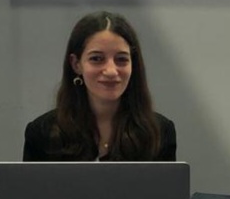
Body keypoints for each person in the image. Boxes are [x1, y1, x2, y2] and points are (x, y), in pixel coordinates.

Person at [23, 11, 176, 161]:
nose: (111, 71)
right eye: (97, 59)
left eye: (121, 59)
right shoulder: (41, 133)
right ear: (76, 64)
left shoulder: (160, 132)